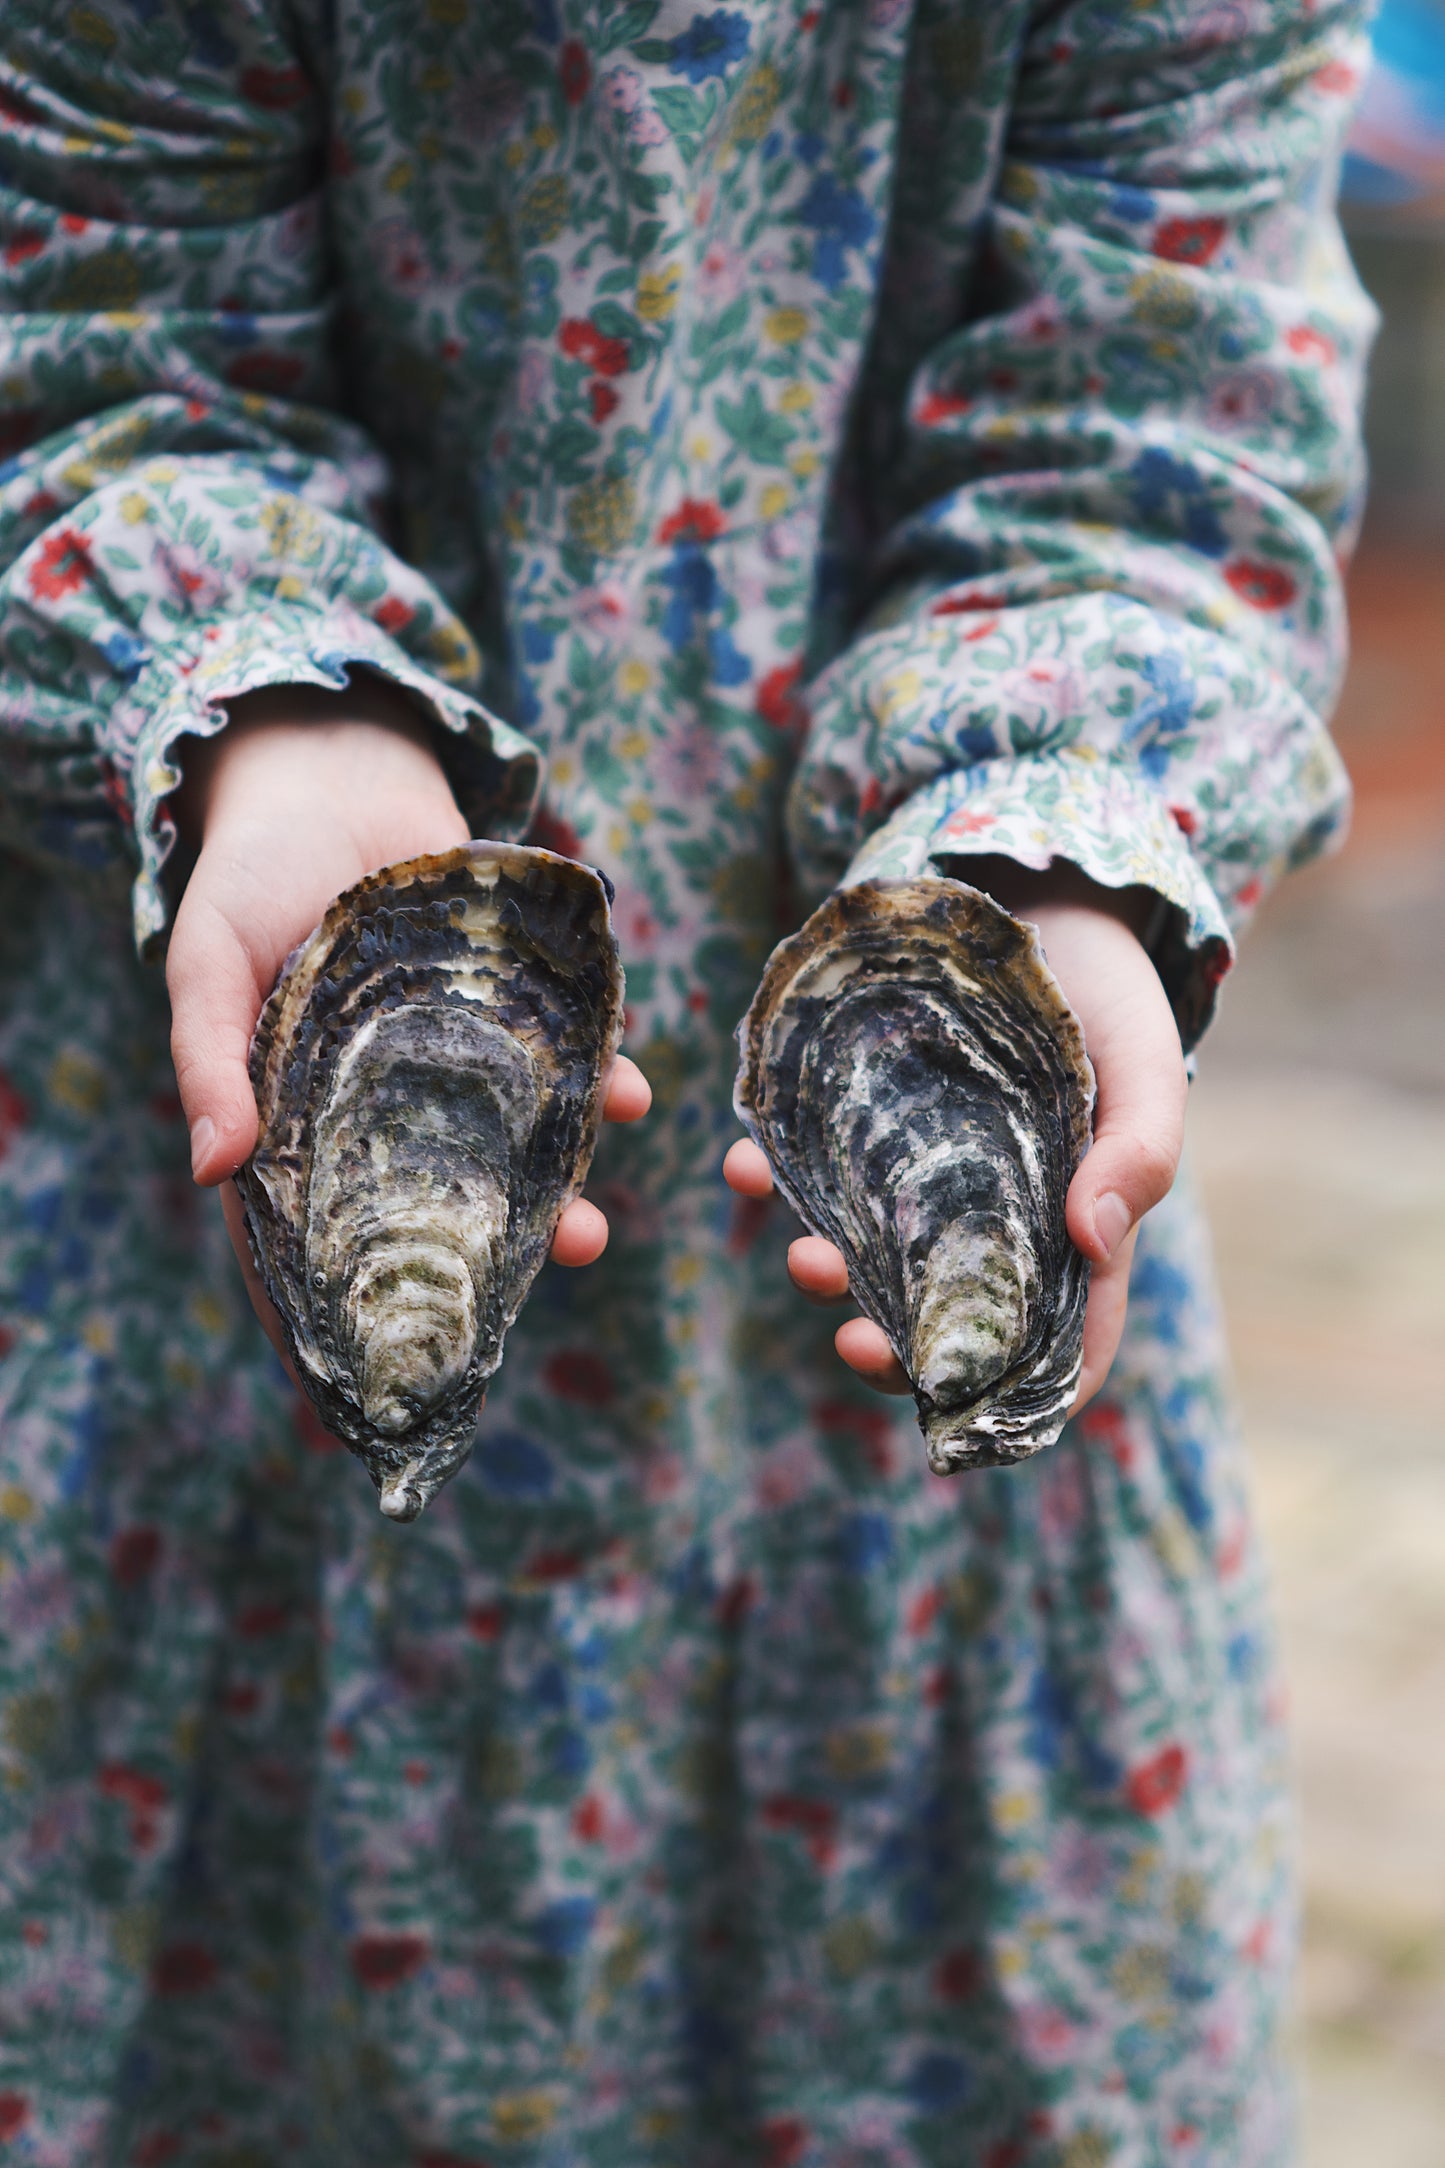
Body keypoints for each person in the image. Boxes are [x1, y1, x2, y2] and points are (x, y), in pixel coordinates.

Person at [0, 0, 1373, 2158]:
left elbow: (1158, 420)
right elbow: (99, 330)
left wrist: (1048, 847)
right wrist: (275, 708)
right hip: (202, 1228)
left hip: (873, 1492)